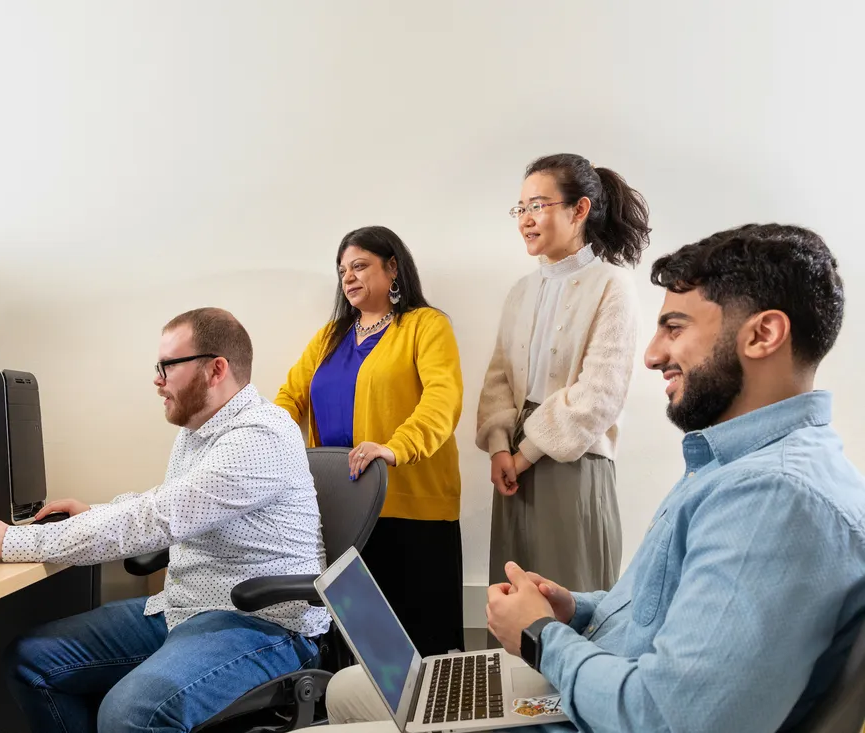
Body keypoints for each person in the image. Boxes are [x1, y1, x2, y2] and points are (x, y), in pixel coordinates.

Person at [326, 224, 865, 731]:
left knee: (349, 707)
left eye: (674, 328)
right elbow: (662, 613)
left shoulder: (774, 498)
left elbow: (662, 717)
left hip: (591, 711)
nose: (652, 355)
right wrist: (576, 608)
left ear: (764, 334)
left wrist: (540, 635)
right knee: (351, 687)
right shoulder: (736, 464)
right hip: (592, 677)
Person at [0, 308, 331, 733]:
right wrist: (96, 512)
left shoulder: (257, 437)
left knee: (131, 713)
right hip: (184, 606)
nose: (157, 379)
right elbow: (163, 503)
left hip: (263, 625)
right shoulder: (200, 429)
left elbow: (155, 519)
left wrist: (16, 541)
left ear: (215, 369)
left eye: (168, 365)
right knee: (32, 660)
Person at [276, 225, 465, 657]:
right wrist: (271, 441)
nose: (348, 278)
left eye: (360, 265)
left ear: (392, 267)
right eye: (343, 270)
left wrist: (395, 447)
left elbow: (443, 400)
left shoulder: (425, 326)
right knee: (361, 649)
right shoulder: (330, 337)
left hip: (410, 510)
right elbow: (290, 396)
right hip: (340, 510)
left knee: (419, 647)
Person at [476, 153, 650, 599]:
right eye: (521, 208)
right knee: (512, 598)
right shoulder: (521, 290)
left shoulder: (612, 285)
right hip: (513, 463)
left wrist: (526, 453)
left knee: (569, 599)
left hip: (574, 462)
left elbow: (600, 394)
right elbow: (499, 379)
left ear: (580, 210)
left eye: (538, 205)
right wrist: (500, 448)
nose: (526, 220)